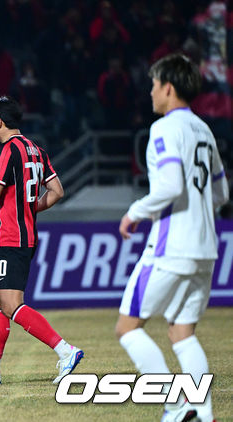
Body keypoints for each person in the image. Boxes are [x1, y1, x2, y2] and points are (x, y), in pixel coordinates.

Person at [116, 54, 228, 422]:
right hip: (205, 248)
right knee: (183, 333)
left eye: (153, 85)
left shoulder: (165, 128)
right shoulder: (204, 130)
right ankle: (204, 415)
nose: (150, 92)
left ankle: (177, 406)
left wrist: (135, 211)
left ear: (168, 87)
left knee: (128, 328)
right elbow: (221, 193)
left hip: (171, 246)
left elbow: (170, 185)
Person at [0, 96, 83, 386]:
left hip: (10, 236)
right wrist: (29, 208)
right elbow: (57, 191)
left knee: (11, 304)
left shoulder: (6, 150)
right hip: (22, 234)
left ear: (0, 122)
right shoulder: (36, 150)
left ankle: (65, 350)